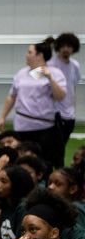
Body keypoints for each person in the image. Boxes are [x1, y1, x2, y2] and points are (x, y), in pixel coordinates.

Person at [0, 37, 67, 168]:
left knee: (44, 162)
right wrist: (2, 116)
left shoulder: (55, 73)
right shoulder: (21, 73)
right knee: (21, 161)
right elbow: (11, 97)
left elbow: (60, 96)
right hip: (22, 127)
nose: (26, 55)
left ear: (39, 56)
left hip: (44, 128)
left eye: (29, 52)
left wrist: (50, 78)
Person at [51, 32, 81, 170]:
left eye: (69, 46)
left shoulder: (75, 65)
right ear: (58, 47)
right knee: (57, 149)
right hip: (54, 113)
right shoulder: (50, 63)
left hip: (70, 114)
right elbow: (33, 75)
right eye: (63, 46)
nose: (66, 49)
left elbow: (73, 86)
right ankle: (57, 175)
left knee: (62, 147)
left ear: (74, 48)